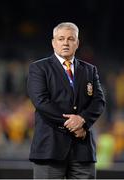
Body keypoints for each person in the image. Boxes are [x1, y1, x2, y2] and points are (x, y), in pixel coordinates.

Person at [27, 22, 105, 179]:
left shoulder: (90, 70)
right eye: (61, 38)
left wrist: (83, 120)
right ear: (53, 42)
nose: (65, 43)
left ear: (77, 43)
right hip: (50, 148)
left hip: (83, 150)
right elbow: (41, 102)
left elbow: (99, 101)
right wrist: (74, 125)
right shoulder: (39, 68)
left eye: (70, 39)